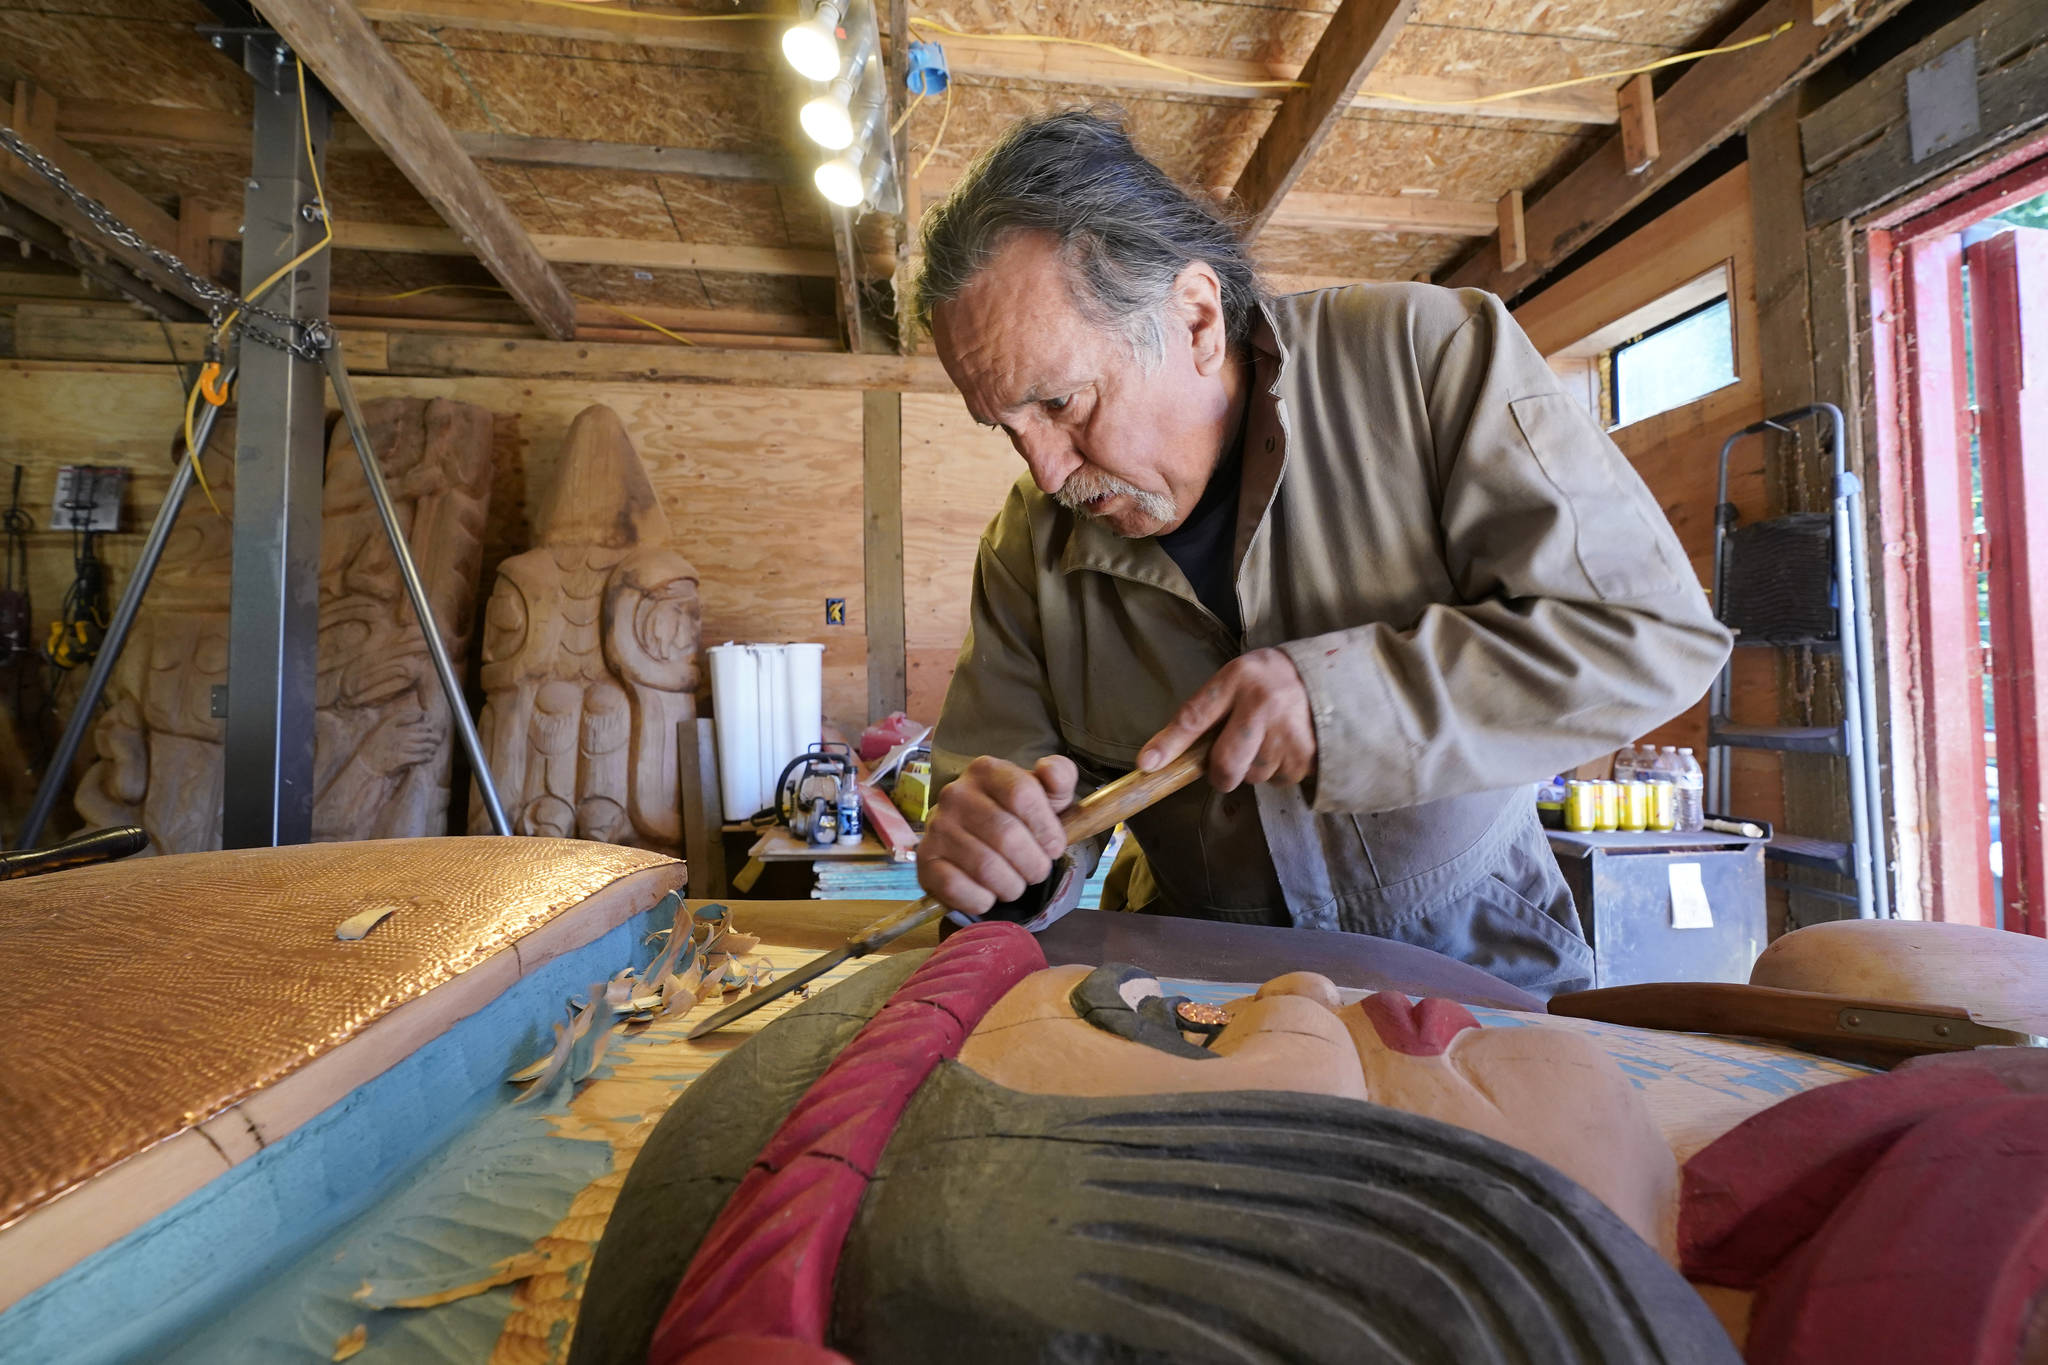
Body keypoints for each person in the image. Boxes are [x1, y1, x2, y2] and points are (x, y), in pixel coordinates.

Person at [910, 109, 1730, 996]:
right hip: (1203, 991)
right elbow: (998, 805)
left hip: (1472, 965)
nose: (1046, 468)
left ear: (1194, 319)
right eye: (1008, 428)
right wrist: (998, 855)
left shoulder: (1427, 360)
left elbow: (1650, 637)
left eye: (1063, 404)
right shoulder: (1026, 546)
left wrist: (1348, 701)